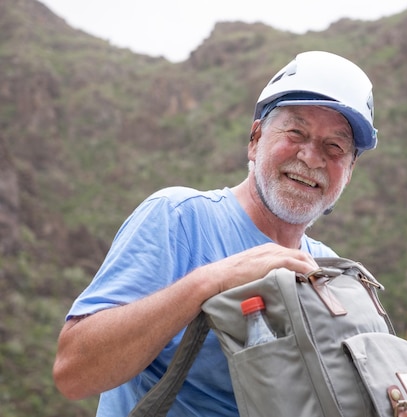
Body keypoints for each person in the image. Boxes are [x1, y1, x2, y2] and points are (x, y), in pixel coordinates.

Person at [53, 50, 378, 416]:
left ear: (348, 171)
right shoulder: (179, 219)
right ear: (255, 139)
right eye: (296, 132)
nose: (311, 156)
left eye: (334, 146)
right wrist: (212, 280)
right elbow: (73, 374)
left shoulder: (325, 270)